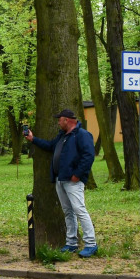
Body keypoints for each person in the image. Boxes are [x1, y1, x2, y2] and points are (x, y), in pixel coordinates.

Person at [23, 108, 98, 258]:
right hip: (60, 179)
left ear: (67, 120)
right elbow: (50, 146)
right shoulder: (62, 136)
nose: (58, 122)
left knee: (79, 210)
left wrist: (77, 174)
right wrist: (33, 139)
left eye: (60, 119)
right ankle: (71, 243)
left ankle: (91, 243)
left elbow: (88, 156)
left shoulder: (82, 135)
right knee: (68, 212)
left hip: (73, 181)